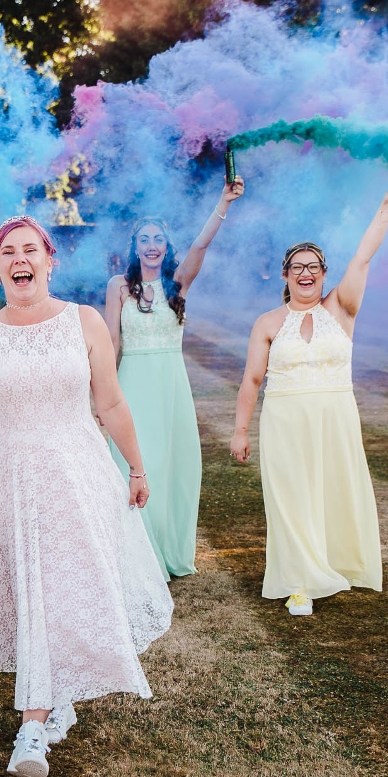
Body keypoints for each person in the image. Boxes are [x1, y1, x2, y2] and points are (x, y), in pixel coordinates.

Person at [0, 215, 173, 777]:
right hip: (8, 475)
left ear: (50, 262)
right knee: (32, 590)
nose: (20, 260)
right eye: (8, 253)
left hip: (78, 469)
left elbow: (113, 404)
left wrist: (138, 468)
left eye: (31, 250)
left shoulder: (85, 321)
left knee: (64, 585)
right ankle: (55, 692)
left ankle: (31, 728)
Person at [230, 182, 388, 616]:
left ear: (324, 274)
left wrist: (385, 208)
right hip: (285, 421)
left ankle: (340, 565)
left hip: (336, 416)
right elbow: (252, 380)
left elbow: (364, 257)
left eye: (313, 267)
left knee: (334, 491)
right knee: (292, 498)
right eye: (297, 267)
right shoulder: (268, 322)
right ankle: (299, 583)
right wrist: (239, 431)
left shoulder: (341, 309)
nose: (305, 274)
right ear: (285, 275)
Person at [104, 175, 244, 579]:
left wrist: (224, 203)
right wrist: (102, 395)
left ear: (166, 247)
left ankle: (167, 550)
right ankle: (136, 558)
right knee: (138, 461)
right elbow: (111, 343)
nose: (152, 245)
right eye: (144, 239)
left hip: (171, 384)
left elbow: (201, 244)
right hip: (133, 382)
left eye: (158, 239)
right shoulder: (118, 286)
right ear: (134, 247)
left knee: (174, 465)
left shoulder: (177, 283)